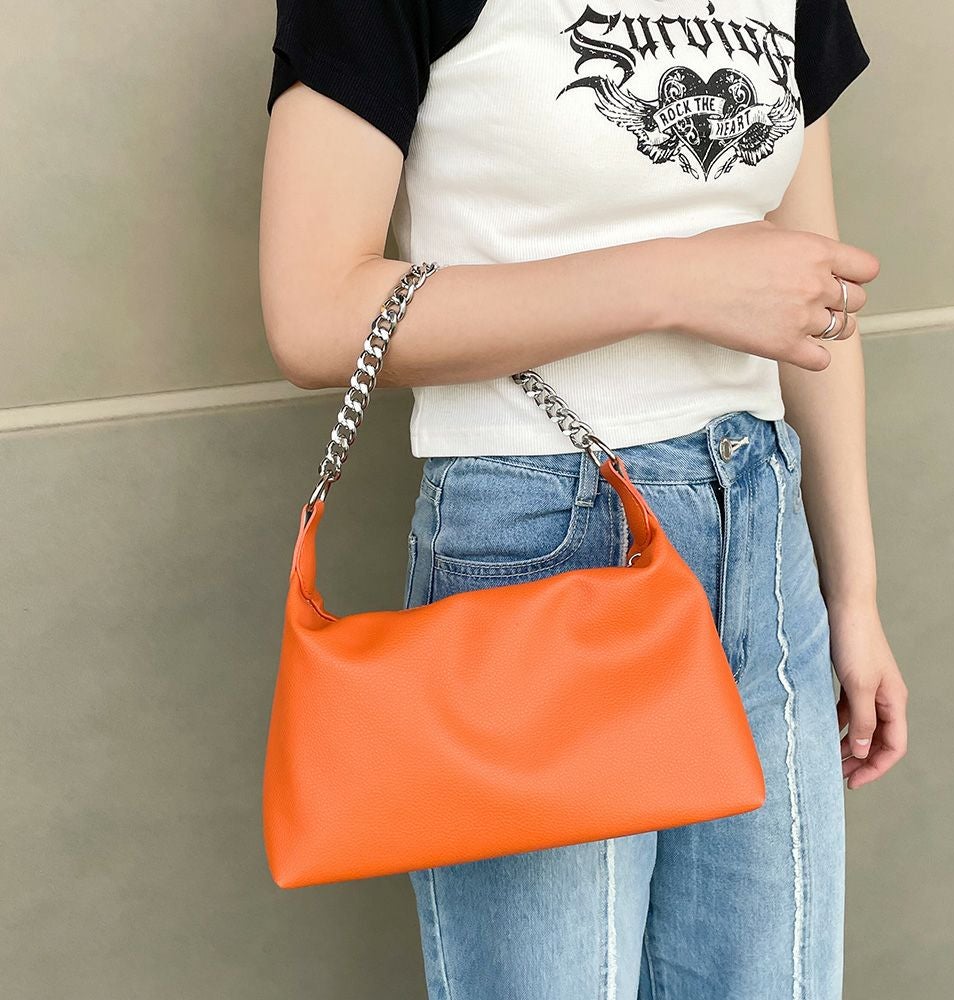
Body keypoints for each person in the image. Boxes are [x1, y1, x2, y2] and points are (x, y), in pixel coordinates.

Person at [259, 2, 909, 997]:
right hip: (541, 540)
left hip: (762, 530)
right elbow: (313, 314)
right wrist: (673, 282)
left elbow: (813, 299)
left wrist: (851, 594)